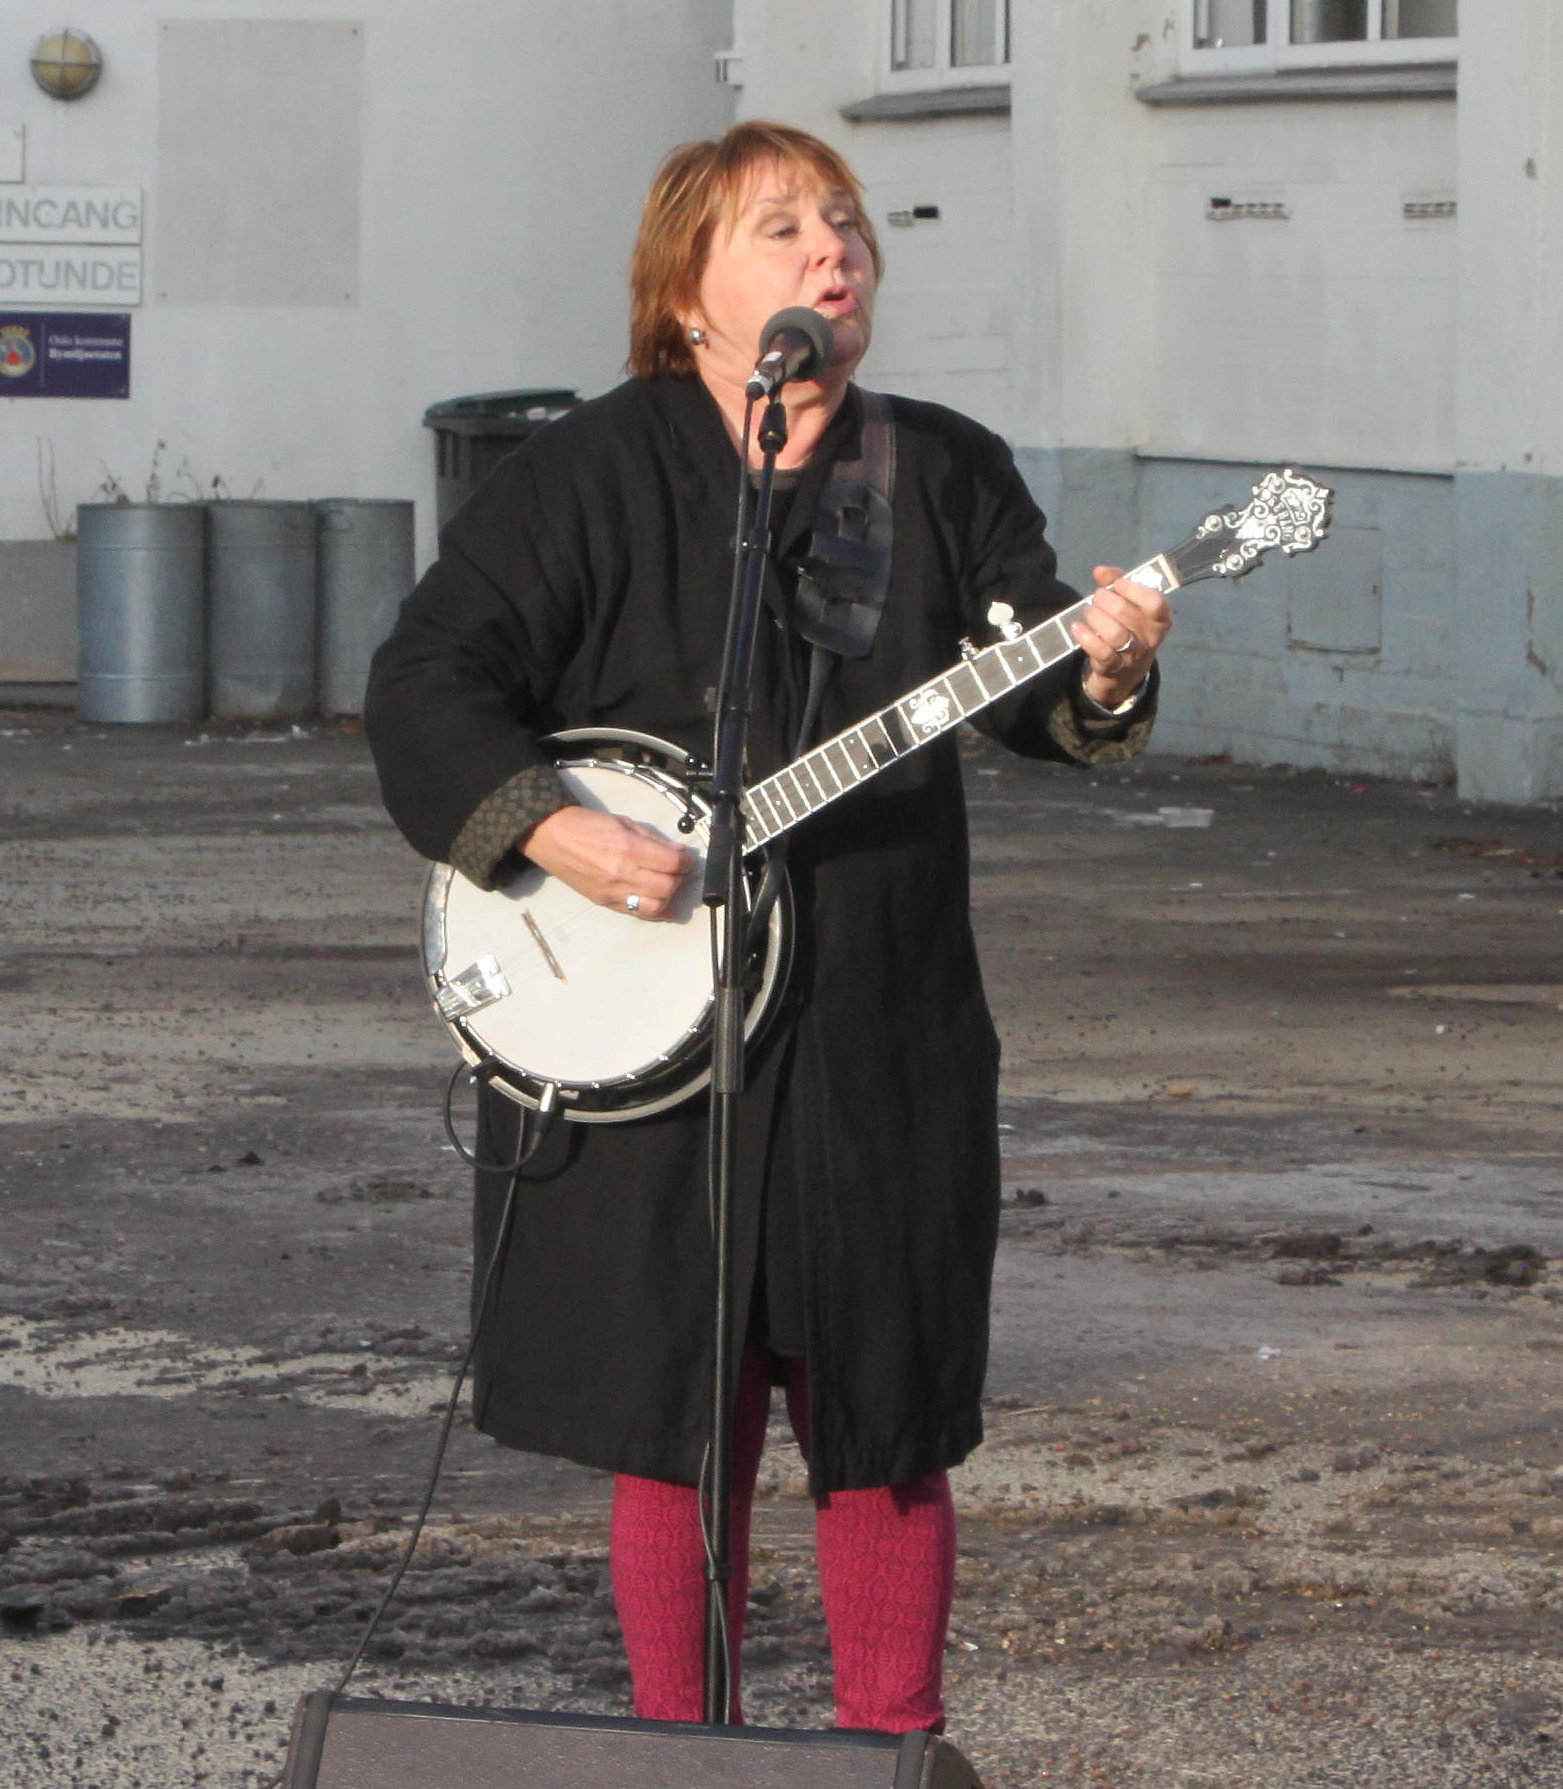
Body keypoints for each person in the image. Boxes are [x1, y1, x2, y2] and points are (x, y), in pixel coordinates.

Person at [362, 121, 1174, 1731]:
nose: (834, 252)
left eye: (848, 227)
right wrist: (553, 827)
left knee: (884, 1411)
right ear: (687, 298)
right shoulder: (590, 475)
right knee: (681, 1412)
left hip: (875, 1015)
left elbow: (1040, 699)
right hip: (647, 1030)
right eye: (784, 227)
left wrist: (1107, 668)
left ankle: (892, 1749)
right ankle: (687, 1751)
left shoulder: (937, 469)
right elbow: (426, 677)